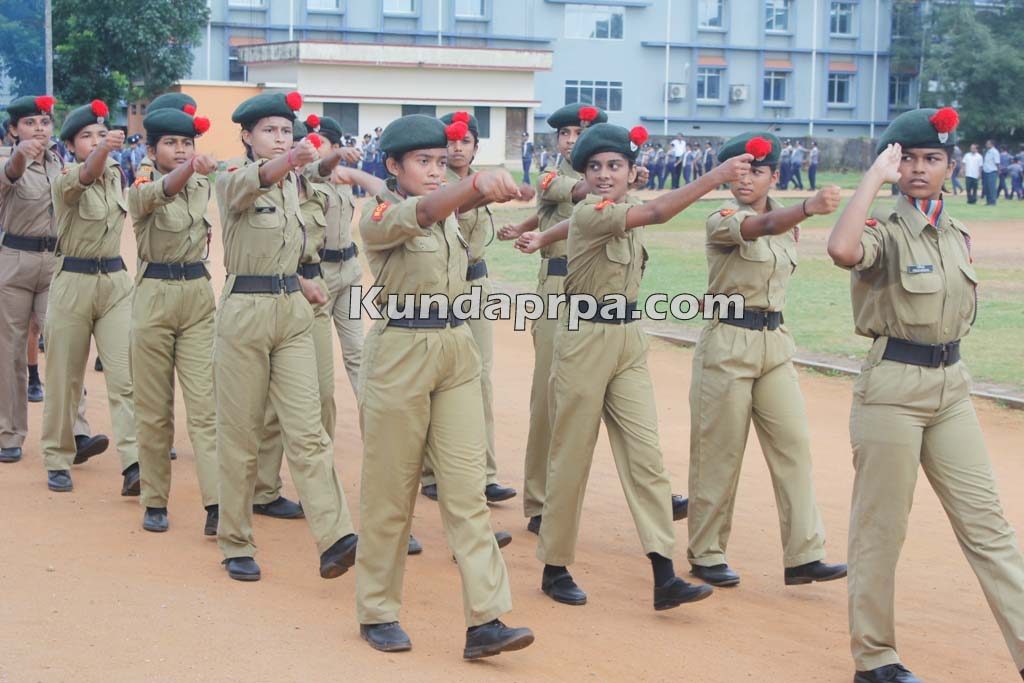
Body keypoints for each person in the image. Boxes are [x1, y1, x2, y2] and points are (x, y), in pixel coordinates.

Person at [512, 122, 751, 609]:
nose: (603, 175)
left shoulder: (609, 211)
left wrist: (538, 235)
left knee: (646, 455)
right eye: (594, 167)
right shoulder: (597, 211)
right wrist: (716, 176)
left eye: (613, 166)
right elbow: (657, 212)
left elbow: (579, 222)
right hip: (583, 339)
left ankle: (664, 575)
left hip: (627, 339)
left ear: (629, 171)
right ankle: (554, 568)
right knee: (571, 455)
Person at [827, 107, 1024, 683]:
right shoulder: (881, 232)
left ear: (949, 165)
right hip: (893, 388)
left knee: (990, 528)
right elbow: (841, 250)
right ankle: (876, 658)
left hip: (952, 389)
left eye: (931, 158)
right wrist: (872, 178)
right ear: (892, 165)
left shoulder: (957, 235)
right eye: (906, 158)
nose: (919, 167)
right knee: (880, 530)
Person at [354, 114, 534, 658]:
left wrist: (500, 185)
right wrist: (473, 184)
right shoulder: (381, 214)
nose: (436, 172)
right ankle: (377, 609)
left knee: (465, 491)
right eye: (423, 163)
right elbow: (427, 211)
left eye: (441, 162)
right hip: (401, 353)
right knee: (391, 491)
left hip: (456, 348)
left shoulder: (448, 211)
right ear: (392, 166)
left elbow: (456, 205)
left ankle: (486, 620)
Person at [687, 131, 847, 589]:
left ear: (775, 175)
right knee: (719, 453)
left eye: (756, 170)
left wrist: (794, 216)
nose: (745, 179)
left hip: (775, 343)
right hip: (728, 344)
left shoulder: (784, 223)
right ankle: (706, 551)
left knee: (793, 445)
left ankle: (804, 554)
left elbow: (773, 229)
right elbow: (756, 228)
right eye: (738, 170)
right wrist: (805, 209)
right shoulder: (721, 218)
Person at [214, 91, 358, 582]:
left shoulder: (295, 183)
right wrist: (289, 162)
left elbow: (285, 248)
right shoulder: (232, 174)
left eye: (285, 130)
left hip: (291, 311)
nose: (280, 138)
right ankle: (235, 540)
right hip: (244, 314)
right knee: (240, 434)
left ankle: (336, 536)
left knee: (309, 426)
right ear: (248, 137)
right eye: (269, 131)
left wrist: (301, 281)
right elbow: (247, 194)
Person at [496, 103, 607, 534]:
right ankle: (540, 500)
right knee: (548, 395)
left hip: (601, 292)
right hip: (557, 291)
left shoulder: (609, 175)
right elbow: (566, 197)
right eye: (566, 133)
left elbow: (549, 215)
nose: (572, 140)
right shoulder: (551, 174)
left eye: (582, 132)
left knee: (603, 396)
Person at [417, 111, 528, 505]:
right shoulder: (436, 186)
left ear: (476, 147)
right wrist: (486, 188)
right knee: (437, 378)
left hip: (476, 283)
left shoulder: (478, 180)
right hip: (443, 288)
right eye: (451, 142)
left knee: (479, 377)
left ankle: (483, 474)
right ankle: (432, 473)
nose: (457, 148)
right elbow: (453, 210)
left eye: (466, 142)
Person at [128, 99, 220, 535]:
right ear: (151, 151)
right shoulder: (143, 181)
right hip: (155, 296)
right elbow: (157, 195)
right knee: (154, 409)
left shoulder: (204, 182)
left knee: (205, 408)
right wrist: (191, 169)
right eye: (171, 143)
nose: (181, 150)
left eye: (187, 143)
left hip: (197, 296)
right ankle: (154, 499)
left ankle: (218, 504)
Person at [0, 96, 108, 466]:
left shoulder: (60, 163)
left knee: (64, 345)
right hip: (15, 261)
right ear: (13, 129)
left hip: (56, 263)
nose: (40, 129)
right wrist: (21, 154)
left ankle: (75, 432)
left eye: (45, 123)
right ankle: (9, 433)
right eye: (30, 123)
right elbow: (11, 173)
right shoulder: (6, 159)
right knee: (10, 351)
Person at [43, 100, 139, 494]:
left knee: (125, 377)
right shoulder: (65, 177)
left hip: (114, 282)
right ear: (70, 145)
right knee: (64, 378)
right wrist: (104, 150)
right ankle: (56, 455)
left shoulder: (117, 174)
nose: (97, 141)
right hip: (73, 283)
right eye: (87, 136)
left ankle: (135, 461)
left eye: (101, 134)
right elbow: (87, 173)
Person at [982, 139, 1000, 205]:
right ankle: (988, 201)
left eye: (988, 143)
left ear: (992, 144)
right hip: (986, 171)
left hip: (992, 172)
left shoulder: (995, 152)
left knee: (992, 187)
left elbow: (997, 162)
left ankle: (993, 201)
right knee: (987, 187)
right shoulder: (988, 151)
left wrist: (998, 171)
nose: (986, 144)